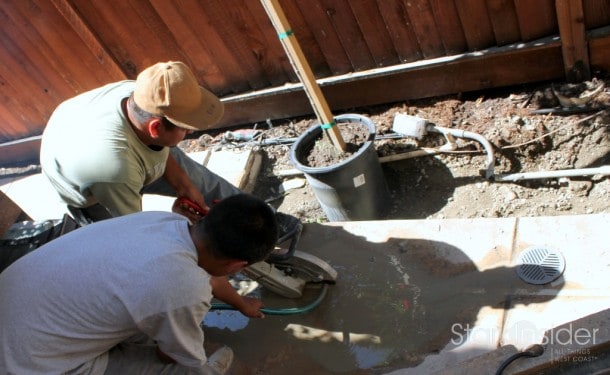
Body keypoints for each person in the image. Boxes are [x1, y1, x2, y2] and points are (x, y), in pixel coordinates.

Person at [0, 193, 279, 374]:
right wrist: (176, 342)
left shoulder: (163, 221)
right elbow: (172, 354)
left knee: (148, 316)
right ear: (237, 266)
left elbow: (205, 274)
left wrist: (241, 303)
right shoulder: (183, 288)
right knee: (190, 369)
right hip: (27, 366)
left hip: (20, 318)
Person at [39, 60, 301, 251]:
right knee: (130, 252)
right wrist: (185, 230)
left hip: (110, 148)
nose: (190, 133)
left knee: (203, 183)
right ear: (155, 128)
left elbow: (161, 153)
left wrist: (185, 186)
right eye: (186, 128)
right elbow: (138, 232)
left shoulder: (143, 93)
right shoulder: (113, 170)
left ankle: (263, 224)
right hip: (87, 190)